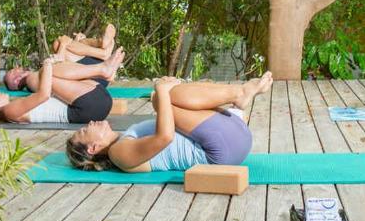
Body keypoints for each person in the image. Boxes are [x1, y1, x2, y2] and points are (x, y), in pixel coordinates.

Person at [66, 73, 274, 172]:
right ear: (93, 148)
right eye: (85, 130)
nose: (91, 122)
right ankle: (238, 93)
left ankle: (238, 97)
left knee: (162, 98)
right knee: (160, 98)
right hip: (221, 149)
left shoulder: (123, 139)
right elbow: (165, 137)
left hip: (231, 137)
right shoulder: (118, 153)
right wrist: (163, 92)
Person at [0, 56, 114, 124]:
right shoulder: (9, 111)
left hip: (93, 102)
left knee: (48, 72)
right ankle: (102, 70)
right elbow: (43, 95)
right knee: (42, 74)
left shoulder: (11, 110)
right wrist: (47, 65)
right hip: (88, 106)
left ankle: (103, 71)